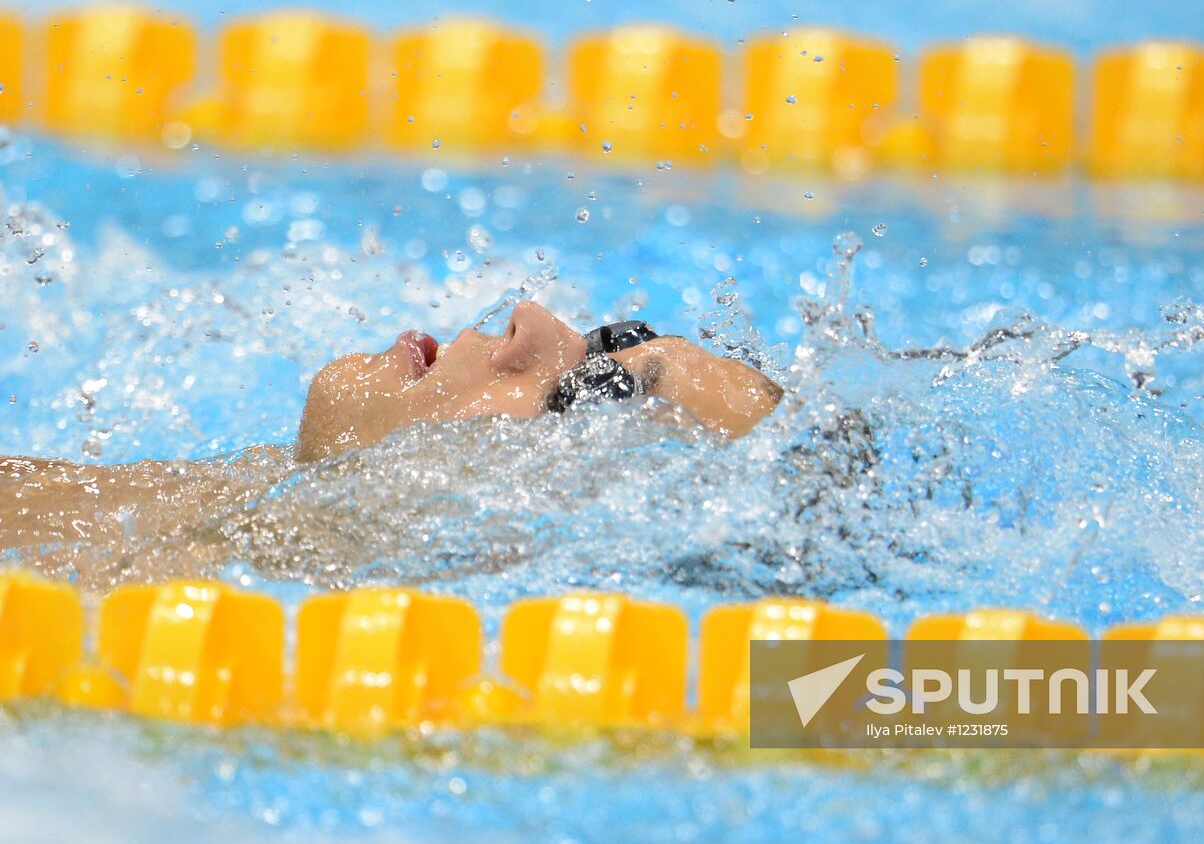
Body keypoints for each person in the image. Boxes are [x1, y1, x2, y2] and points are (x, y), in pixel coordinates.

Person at [0, 302, 784, 554]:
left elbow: (870, 706)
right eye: (611, 338)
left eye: (590, 388)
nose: (533, 319)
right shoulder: (235, 506)